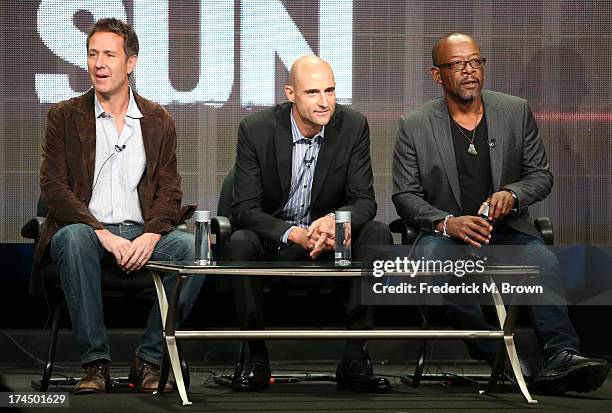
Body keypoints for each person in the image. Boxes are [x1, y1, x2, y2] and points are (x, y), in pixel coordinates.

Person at [392, 33, 609, 394]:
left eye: (476, 62)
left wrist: (512, 193)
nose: (469, 71)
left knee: (541, 260)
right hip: (445, 237)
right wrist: (447, 223)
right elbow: (405, 195)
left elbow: (540, 175)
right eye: (458, 64)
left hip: (506, 231)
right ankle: (499, 357)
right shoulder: (414, 125)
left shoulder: (514, 110)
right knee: (435, 266)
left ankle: (562, 355)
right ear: (436, 75)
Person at [37, 18, 204, 394]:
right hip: (88, 231)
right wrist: (102, 234)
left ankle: (149, 358)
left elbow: (169, 191)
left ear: (131, 63)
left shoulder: (158, 120)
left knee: (192, 250)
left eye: (109, 55)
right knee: (73, 239)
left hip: (140, 231)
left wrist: (151, 234)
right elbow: (54, 188)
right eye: (93, 54)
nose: (99, 63)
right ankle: (95, 364)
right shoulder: (64, 116)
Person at [224, 55, 393, 392]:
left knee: (379, 234)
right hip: (277, 241)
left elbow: (365, 202)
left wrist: (334, 222)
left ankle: (355, 358)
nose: (324, 102)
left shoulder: (353, 126)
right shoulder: (256, 130)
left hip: (331, 242)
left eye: (330, 91)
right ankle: (256, 356)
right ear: (290, 94)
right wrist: (294, 234)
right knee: (240, 240)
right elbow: (243, 208)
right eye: (313, 92)